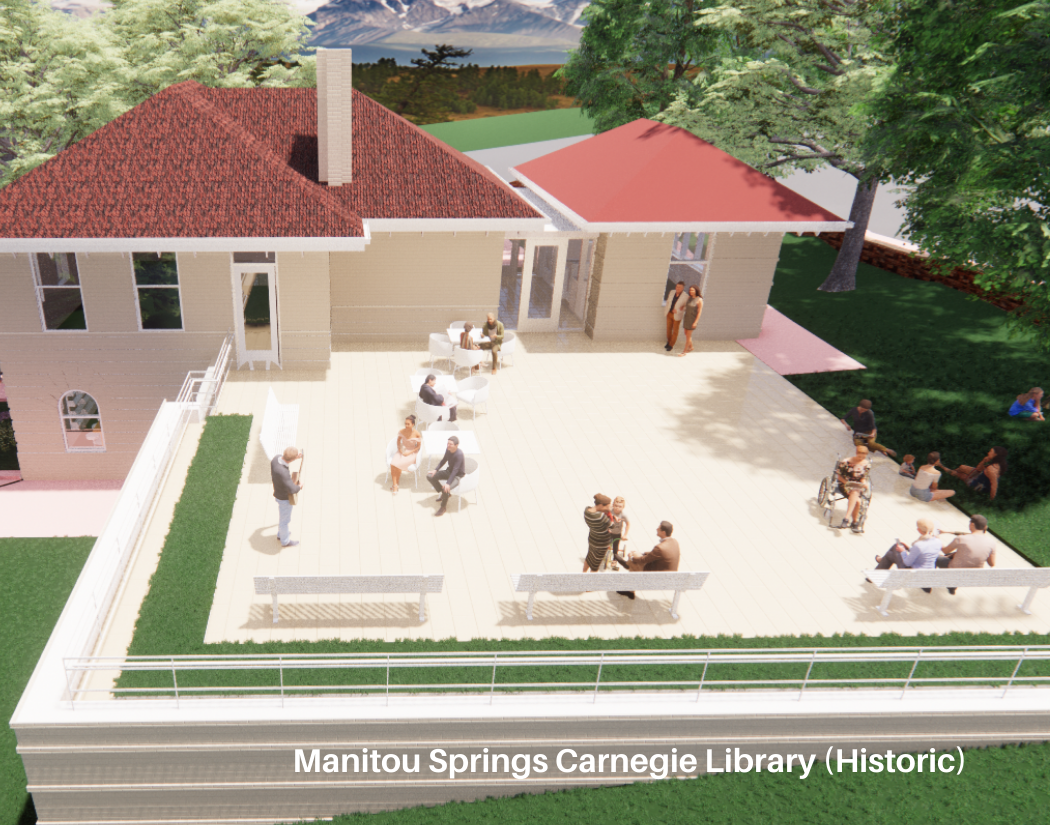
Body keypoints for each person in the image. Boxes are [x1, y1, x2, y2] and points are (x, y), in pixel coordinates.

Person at [613, 521, 681, 600]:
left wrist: (632, 558)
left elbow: (644, 560)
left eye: (658, 529)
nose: (656, 529)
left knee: (634, 563)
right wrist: (641, 553)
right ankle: (629, 584)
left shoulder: (660, 548)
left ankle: (627, 567)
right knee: (636, 555)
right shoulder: (674, 541)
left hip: (659, 577)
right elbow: (655, 554)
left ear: (663, 532)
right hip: (669, 575)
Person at [871, 518, 943, 591]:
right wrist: (908, 548)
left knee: (893, 551)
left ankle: (880, 564)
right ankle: (880, 564)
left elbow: (907, 562)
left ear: (919, 530)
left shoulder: (919, 545)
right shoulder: (938, 542)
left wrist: (903, 551)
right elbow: (923, 553)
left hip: (912, 575)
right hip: (927, 575)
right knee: (893, 552)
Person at [935, 514, 996, 594]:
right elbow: (992, 564)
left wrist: (937, 538)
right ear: (985, 527)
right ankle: (952, 587)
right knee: (960, 553)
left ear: (972, 524)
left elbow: (945, 550)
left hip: (955, 570)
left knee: (935, 557)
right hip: (972, 576)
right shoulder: (992, 543)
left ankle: (928, 581)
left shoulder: (961, 539)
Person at [939, 446, 1007, 500]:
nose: (988, 453)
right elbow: (978, 469)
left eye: (990, 452)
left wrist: (991, 499)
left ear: (995, 455)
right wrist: (984, 460)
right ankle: (952, 471)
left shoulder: (991, 469)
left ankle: (943, 467)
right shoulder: (996, 464)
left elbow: (994, 485)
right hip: (980, 476)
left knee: (960, 475)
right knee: (962, 467)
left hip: (979, 485)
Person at [270, 445, 303, 548]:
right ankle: (285, 541)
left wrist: (296, 457)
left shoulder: (276, 459)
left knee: (282, 517)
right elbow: (293, 489)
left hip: (278, 492)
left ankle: (281, 534)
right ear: (291, 459)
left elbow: (286, 459)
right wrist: (299, 486)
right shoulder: (283, 473)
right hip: (284, 498)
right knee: (285, 521)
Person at [833, 444, 871, 533]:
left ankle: (848, 520)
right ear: (856, 453)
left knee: (856, 494)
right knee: (856, 497)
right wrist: (847, 483)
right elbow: (839, 476)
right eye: (860, 455)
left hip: (857, 485)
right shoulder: (846, 462)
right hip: (844, 483)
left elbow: (863, 477)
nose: (861, 458)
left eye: (863, 456)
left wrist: (864, 483)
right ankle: (852, 522)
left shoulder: (866, 464)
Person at [427, 436, 465, 517]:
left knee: (446, 488)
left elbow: (455, 470)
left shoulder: (459, 454)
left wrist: (448, 483)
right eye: (448, 443)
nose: (448, 445)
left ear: (456, 445)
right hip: (449, 471)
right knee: (430, 476)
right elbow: (443, 460)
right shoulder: (448, 449)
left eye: (450, 444)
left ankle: (443, 507)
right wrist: (435, 470)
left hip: (457, 476)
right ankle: (445, 494)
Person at [388, 414, 420, 494]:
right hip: (403, 450)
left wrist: (409, 452)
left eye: (408, 424)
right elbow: (398, 441)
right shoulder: (401, 431)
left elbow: (418, 447)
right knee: (393, 464)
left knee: (397, 465)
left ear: (413, 424)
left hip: (412, 452)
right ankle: (395, 484)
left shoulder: (417, 434)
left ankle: (395, 485)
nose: (406, 425)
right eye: (405, 423)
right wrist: (400, 449)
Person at [582, 493, 613, 572]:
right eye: (608, 506)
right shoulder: (600, 516)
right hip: (601, 544)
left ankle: (583, 573)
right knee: (595, 565)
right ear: (601, 505)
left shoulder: (587, 510)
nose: (609, 508)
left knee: (589, 557)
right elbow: (612, 526)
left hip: (592, 538)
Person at [605, 496, 631, 570]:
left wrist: (625, 534)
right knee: (605, 544)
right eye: (616, 505)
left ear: (623, 507)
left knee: (615, 548)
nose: (617, 508)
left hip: (617, 533)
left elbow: (628, 524)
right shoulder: (610, 511)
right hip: (609, 532)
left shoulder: (623, 515)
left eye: (620, 506)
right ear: (613, 505)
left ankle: (614, 560)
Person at [677, 285, 703, 357]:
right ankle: (691, 347)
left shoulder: (699, 300)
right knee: (686, 333)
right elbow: (687, 304)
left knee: (688, 336)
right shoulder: (689, 297)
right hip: (686, 318)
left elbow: (699, 312)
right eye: (690, 290)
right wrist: (682, 307)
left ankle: (684, 352)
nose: (691, 292)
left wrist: (696, 322)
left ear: (696, 290)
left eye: (692, 290)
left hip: (692, 319)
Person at [664, 281, 686, 351]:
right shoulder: (672, 292)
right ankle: (669, 342)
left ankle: (671, 345)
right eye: (677, 286)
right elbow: (668, 301)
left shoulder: (685, 296)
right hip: (669, 314)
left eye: (679, 287)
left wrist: (678, 311)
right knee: (668, 329)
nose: (677, 288)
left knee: (675, 331)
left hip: (677, 316)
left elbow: (685, 307)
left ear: (682, 288)